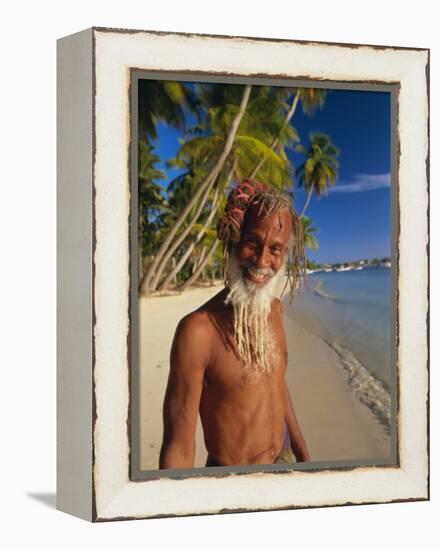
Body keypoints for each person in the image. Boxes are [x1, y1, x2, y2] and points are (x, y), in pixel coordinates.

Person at [159, 178, 310, 468]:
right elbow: (178, 444)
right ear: (234, 240)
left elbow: (276, 382)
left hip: (284, 456)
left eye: (275, 249)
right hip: (233, 477)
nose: (262, 261)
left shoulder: (275, 310)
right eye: (253, 243)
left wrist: (303, 452)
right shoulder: (197, 332)